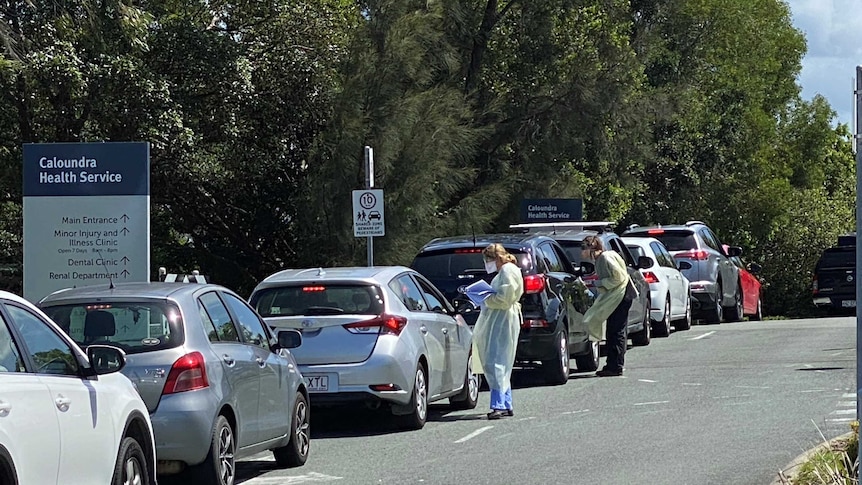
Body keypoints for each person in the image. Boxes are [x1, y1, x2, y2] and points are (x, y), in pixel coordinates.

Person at [473, 243, 524, 420]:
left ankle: (499, 404)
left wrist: (485, 298)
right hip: (500, 319)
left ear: (495, 258)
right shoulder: (507, 270)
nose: (486, 264)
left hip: (502, 320)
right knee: (501, 360)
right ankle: (505, 402)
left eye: (487, 260)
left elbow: (504, 298)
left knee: (495, 361)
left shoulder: (507, 271)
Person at [581, 235, 637, 377]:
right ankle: (612, 364)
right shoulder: (602, 259)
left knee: (616, 331)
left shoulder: (605, 258)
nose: (581, 252)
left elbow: (618, 278)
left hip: (621, 295)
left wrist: (598, 283)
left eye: (583, 248)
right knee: (614, 330)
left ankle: (615, 366)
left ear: (592, 248)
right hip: (617, 295)